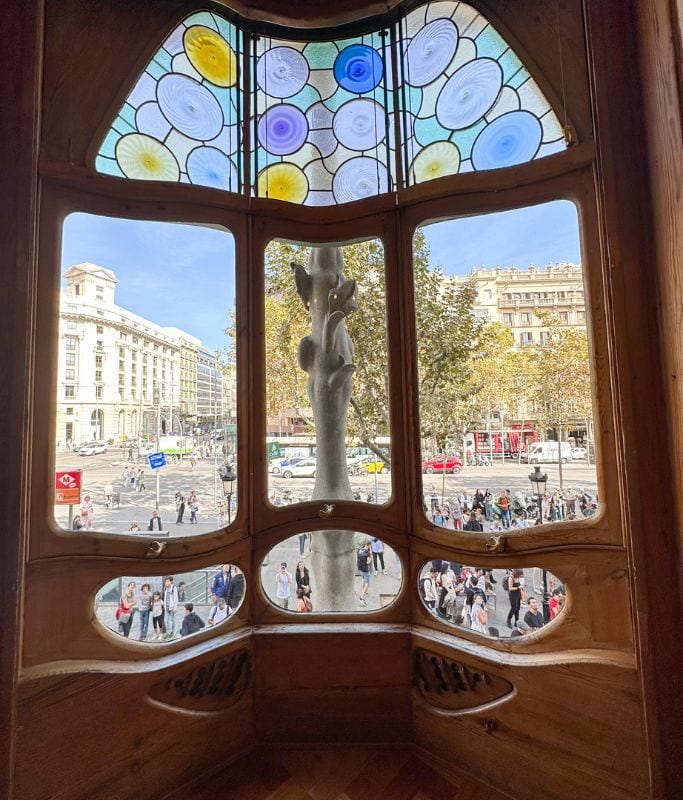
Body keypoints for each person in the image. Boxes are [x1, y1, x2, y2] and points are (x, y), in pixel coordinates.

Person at [357, 540, 372, 605]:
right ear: (369, 545)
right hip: (365, 570)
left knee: (363, 579)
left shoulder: (360, 550)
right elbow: (369, 561)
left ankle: (363, 591)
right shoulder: (367, 552)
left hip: (360, 569)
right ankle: (361, 598)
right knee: (367, 583)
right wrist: (370, 558)